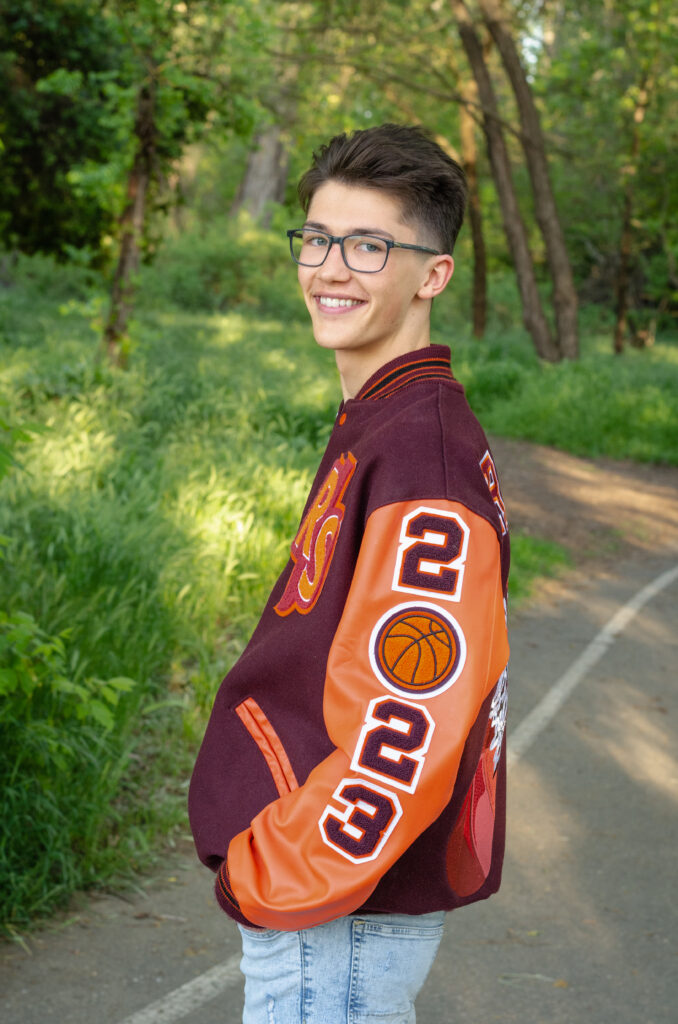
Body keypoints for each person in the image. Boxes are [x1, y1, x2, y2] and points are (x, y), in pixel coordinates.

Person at [188, 123, 510, 1023]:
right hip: (331, 895)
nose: (331, 268)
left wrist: (278, 871)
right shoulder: (381, 420)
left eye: (370, 246)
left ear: (431, 275)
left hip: (337, 905)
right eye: (318, 239)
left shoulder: (424, 462)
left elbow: (409, 718)